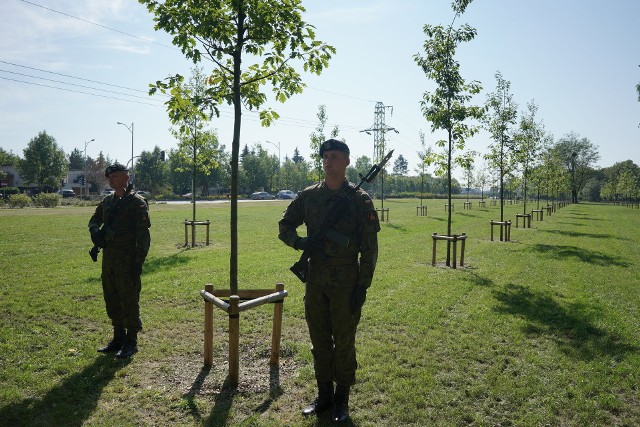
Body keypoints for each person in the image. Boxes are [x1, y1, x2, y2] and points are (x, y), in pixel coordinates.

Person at [278, 139, 380, 423]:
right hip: (316, 279)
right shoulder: (309, 196)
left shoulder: (360, 201)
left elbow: (369, 249)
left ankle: (341, 400)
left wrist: (363, 285)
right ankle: (324, 396)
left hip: (347, 281)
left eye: (335, 156)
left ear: (347, 162)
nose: (328, 161)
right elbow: (284, 226)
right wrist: (300, 242)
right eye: (325, 156)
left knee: (344, 341)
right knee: (319, 339)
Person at [88, 163, 151, 358]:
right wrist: (95, 232)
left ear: (126, 177)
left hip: (128, 258)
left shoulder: (137, 202)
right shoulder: (108, 201)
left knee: (129, 299)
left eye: (116, 176)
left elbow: (144, 236)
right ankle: (118, 337)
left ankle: (131, 341)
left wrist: (137, 262)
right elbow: (94, 219)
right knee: (112, 296)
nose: (112, 180)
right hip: (110, 259)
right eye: (110, 178)